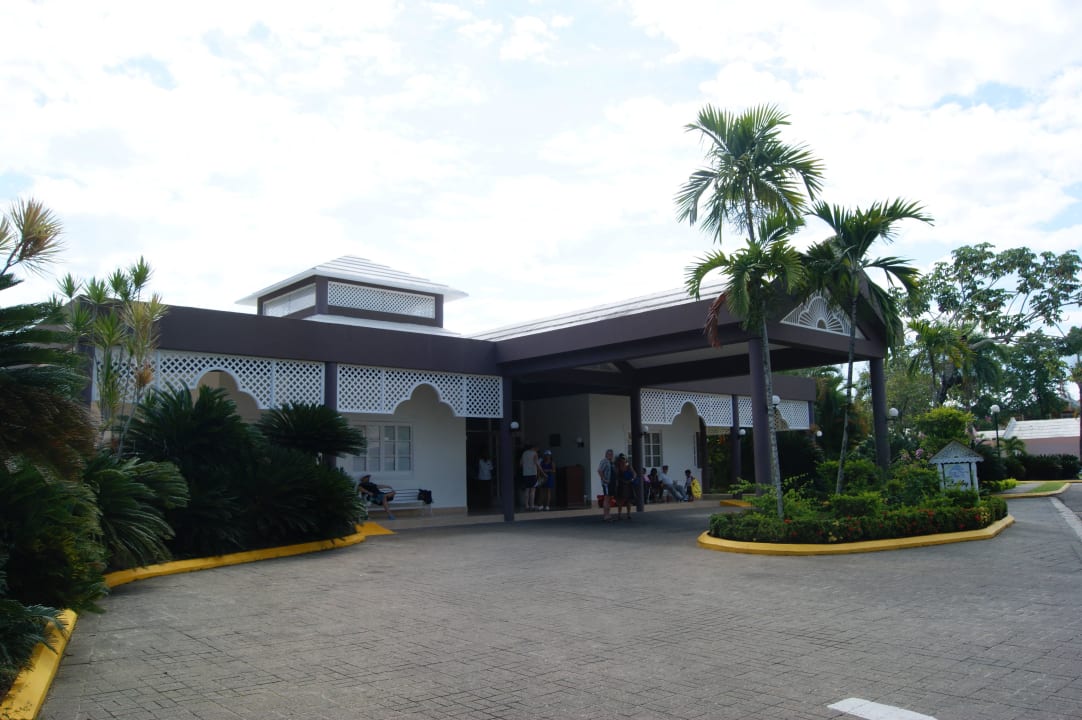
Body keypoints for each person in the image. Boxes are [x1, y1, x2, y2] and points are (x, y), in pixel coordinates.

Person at [521, 442, 544, 510]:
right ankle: (532, 505)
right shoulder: (534, 453)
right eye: (537, 449)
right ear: (535, 448)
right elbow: (537, 464)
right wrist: (543, 472)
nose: (538, 450)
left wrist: (526, 467)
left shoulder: (524, 453)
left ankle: (526, 505)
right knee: (533, 490)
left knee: (527, 489)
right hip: (533, 473)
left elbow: (521, 463)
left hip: (525, 474)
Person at [612, 454, 635, 520]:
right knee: (620, 501)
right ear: (619, 460)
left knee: (628, 501)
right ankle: (619, 515)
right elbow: (616, 475)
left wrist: (632, 479)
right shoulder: (617, 466)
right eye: (621, 459)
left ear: (626, 460)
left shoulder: (629, 466)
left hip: (628, 485)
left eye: (624, 459)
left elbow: (634, 474)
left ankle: (628, 514)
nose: (623, 461)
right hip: (621, 485)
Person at [597, 449, 614, 522]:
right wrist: (604, 479)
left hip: (611, 483)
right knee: (606, 498)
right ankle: (606, 516)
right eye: (609, 454)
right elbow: (599, 470)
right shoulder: (604, 461)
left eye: (611, 454)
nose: (610, 455)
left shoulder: (611, 462)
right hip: (606, 484)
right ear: (606, 455)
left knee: (609, 499)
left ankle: (608, 514)